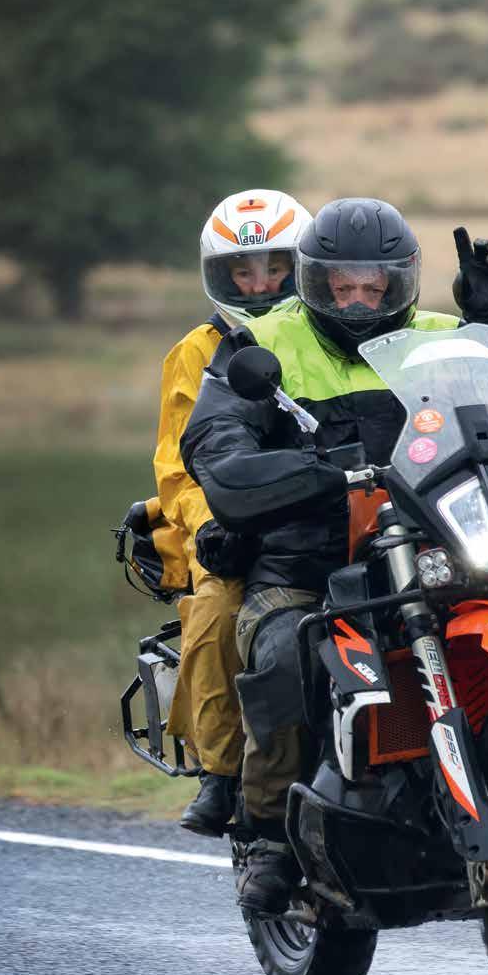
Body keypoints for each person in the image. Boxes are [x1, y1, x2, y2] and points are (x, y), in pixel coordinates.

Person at [181, 197, 488, 909]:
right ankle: (268, 834)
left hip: (439, 546)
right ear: (315, 283)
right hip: (307, 563)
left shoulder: (444, 337)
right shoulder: (262, 343)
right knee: (286, 650)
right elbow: (214, 439)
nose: (358, 301)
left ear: (400, 282)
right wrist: (276, 471)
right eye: (342, 287)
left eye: (374, 286)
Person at [154, 188, 312, 836]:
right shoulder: (197, 351)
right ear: (218, 275)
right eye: (243, 272)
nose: (260, 284)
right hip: (238, 523)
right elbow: (177, 467)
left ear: (303, 266)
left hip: (327, 512)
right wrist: (214, 522)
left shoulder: (326, 335)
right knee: (219, 613)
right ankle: (221, 773)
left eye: (275, 267)